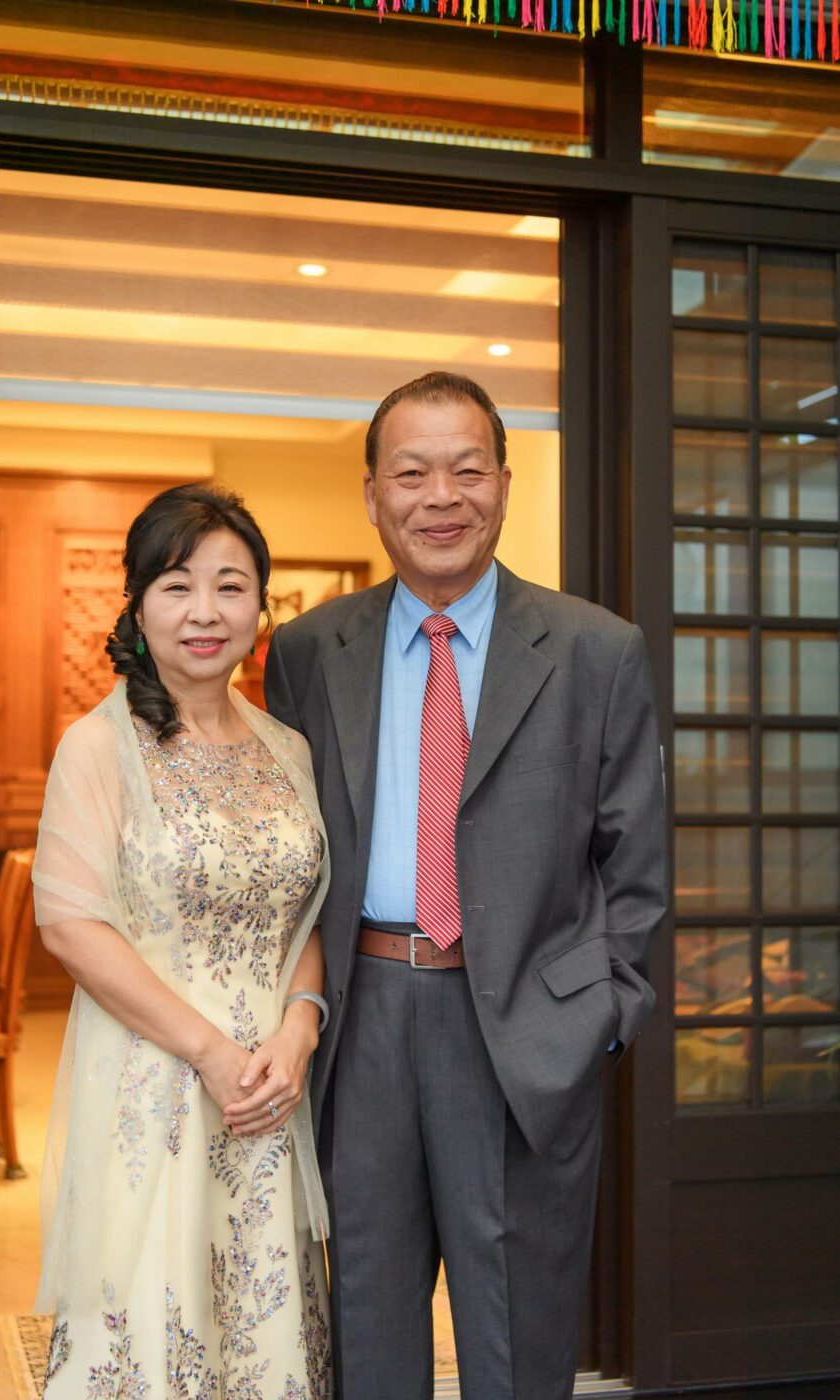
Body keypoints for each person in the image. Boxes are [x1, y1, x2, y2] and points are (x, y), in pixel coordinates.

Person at [264, 371, 667, 1400]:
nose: (440, 496)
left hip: (526, 1030)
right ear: (371, 493)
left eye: (467, 470)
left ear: (504, 484)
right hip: (361, 1021)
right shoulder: (309, 651)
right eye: (411, 473)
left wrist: (597, 1020)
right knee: (366, 1325)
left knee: (517, 1339)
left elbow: (636, 868)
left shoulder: (595, 649)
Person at [33, 484, 333, 1399]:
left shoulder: (287, 748)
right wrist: (208, 1052)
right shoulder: (99, 747)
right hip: (156, 1080)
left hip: (268, 1091)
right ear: (137, 606)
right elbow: (70, 924)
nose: (205, 611)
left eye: (229, 586)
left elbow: (304, 911)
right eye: (177, 586)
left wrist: (299, 1028)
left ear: (260, 608)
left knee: (261, 1327)